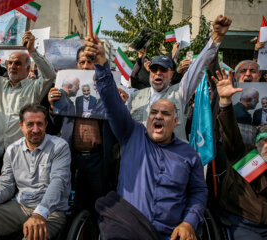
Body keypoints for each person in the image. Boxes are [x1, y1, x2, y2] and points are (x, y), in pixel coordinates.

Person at [85, 33, 207, 240]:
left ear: (176, 121)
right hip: (126, 227)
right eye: (154, 113)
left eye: (165, 113)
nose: (158, 116)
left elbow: (198, 193)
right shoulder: (132, 135)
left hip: (171, 233)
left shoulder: (189, 154)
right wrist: (102, 65)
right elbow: (112, 101)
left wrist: (189, 222)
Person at [0, 103, 70, 240]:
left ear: (46, 124)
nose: (35, 129)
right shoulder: (12, 150)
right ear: (21, 125)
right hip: (20, 206)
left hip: (51, 211)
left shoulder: (59, 146)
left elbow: (58, 182)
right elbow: (6, 185)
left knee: (33, 236)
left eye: (39, 124)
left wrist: (39, 214)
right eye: (30, 124)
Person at [129, 15, 231, 141]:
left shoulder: (180, 92)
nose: (158, 73)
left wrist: (215, 39)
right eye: (154, 69)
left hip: (172, 158)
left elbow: (197, 67)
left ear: (171, 74)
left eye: (163, 70)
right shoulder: (134, 98)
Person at [47, 46, 120, 217]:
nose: (86, 65)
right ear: (77, 65)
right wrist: (52, 107)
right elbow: (53, 128)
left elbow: (119, 127)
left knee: (100, 206)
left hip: (98, 159)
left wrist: (119, 105)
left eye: (91, 61)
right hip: (71, 158)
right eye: (82, 62)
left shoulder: (109, 90)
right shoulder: (65, 91)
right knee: (71, 205)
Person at [212, 69, 267, 240]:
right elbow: (230, 131)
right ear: (258, 143)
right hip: (241, 224)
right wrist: (225, 101)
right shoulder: (243, 154)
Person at [0, 31, 56, 160]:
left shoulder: (34, 88)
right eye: (10, 63)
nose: (13, 66)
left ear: (28, 69)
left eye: (18, 63)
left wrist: (32, 50)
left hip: (21, 157)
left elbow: (49, 75)